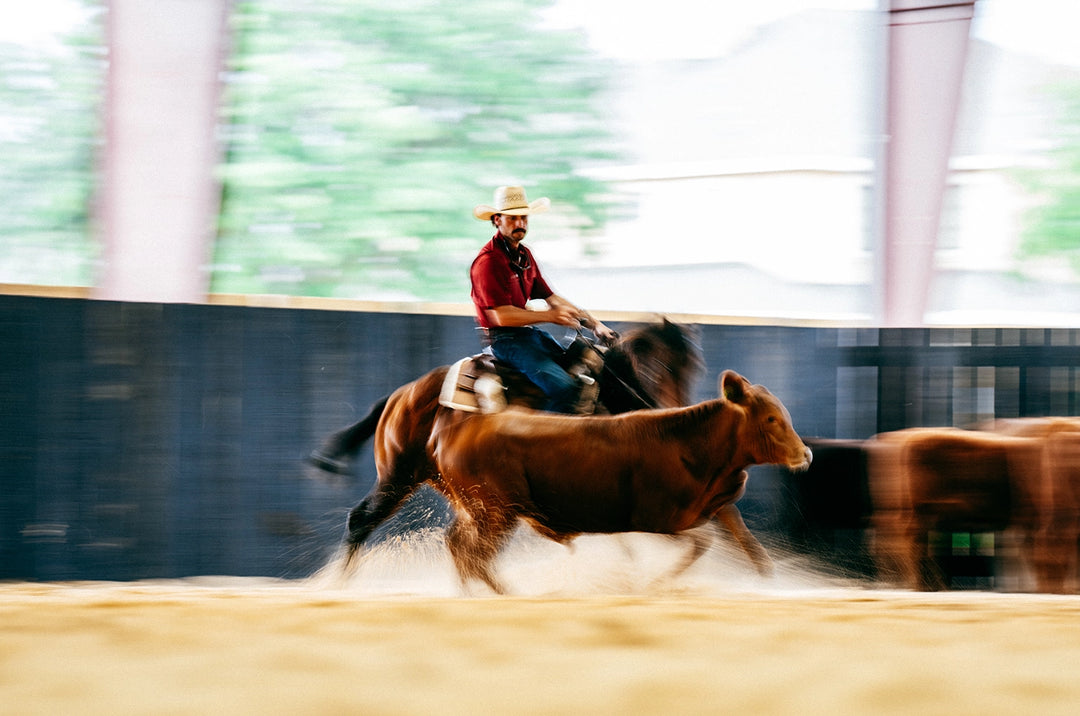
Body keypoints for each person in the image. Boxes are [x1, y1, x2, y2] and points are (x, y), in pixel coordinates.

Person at [470, 185, 616, 413]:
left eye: (523, 217)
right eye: (512, 218)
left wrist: (595, 325)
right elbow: (500, 316)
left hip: (528, 336)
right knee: (565, 389)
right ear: (497, 220)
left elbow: (551, 297)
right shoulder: (488, 262)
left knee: (590, 362)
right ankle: (545, 433)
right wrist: (551, 316)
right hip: (505, 342)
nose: (520, 223)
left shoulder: (524, 255)